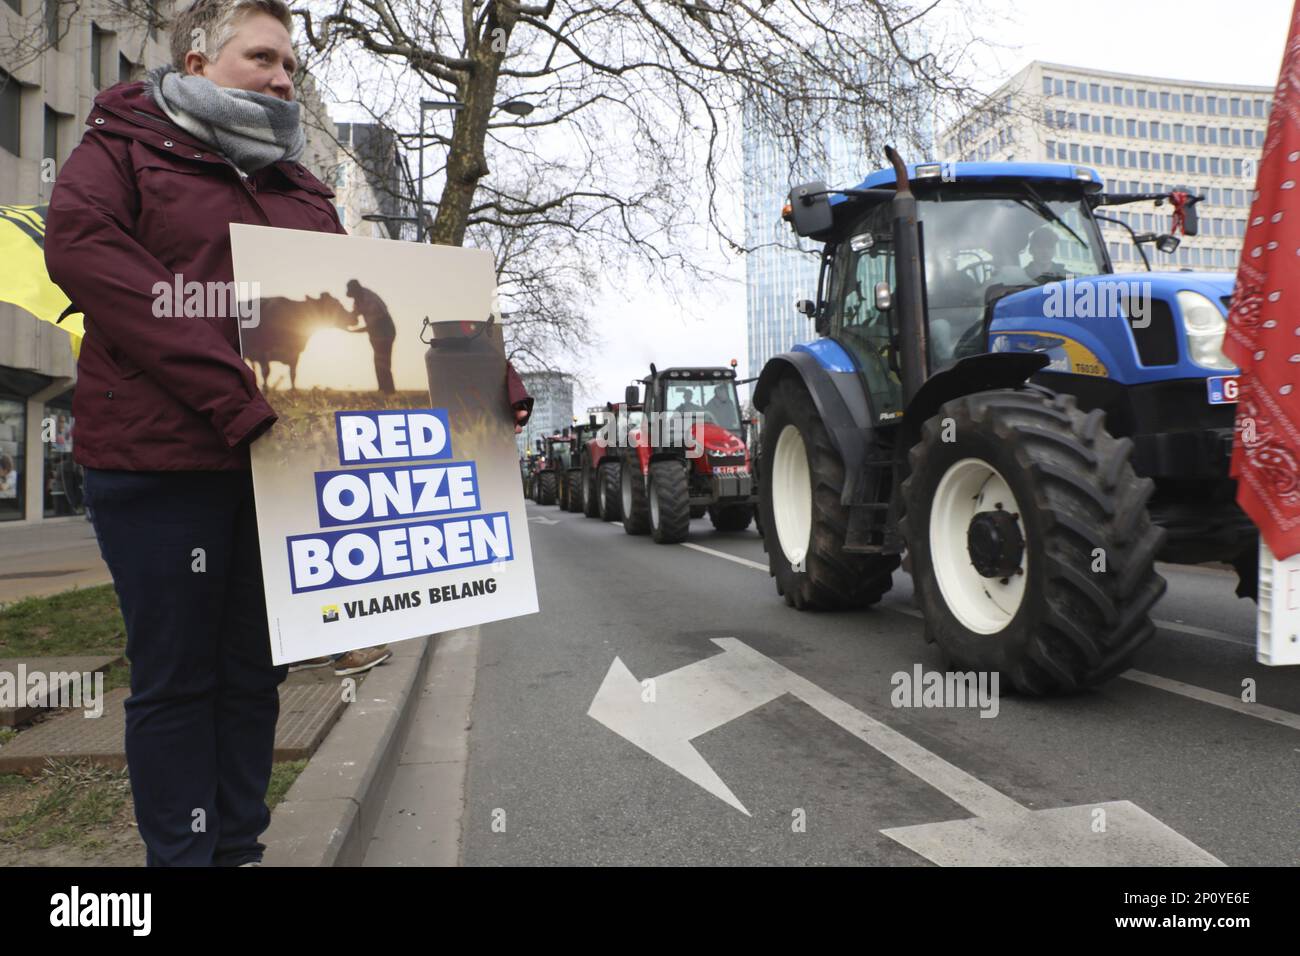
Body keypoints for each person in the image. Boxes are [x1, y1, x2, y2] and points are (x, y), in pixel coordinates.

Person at [43, 0, 531, 867]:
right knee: (177, 680)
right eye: (262, 57)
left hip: (281, 468)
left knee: (254, 672)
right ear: (196, 61)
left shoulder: (298, 183)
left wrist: (483, 372)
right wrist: (231, 394)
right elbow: (96, 263)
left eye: (290, 67)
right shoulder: (118, 146)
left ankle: (239, 848)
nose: (280, 78)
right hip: (161, 465)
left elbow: (365, 290)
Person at [343, 279, 397, 394]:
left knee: (383, 361)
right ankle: (384, 390)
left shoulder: (370, 299)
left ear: (355, 291)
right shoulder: (359, 300)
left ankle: (388, 391)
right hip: (375, 335)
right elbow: (354, 316)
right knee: (379, 361)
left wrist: (352, 331)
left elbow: (373, 325)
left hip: (385, 332)